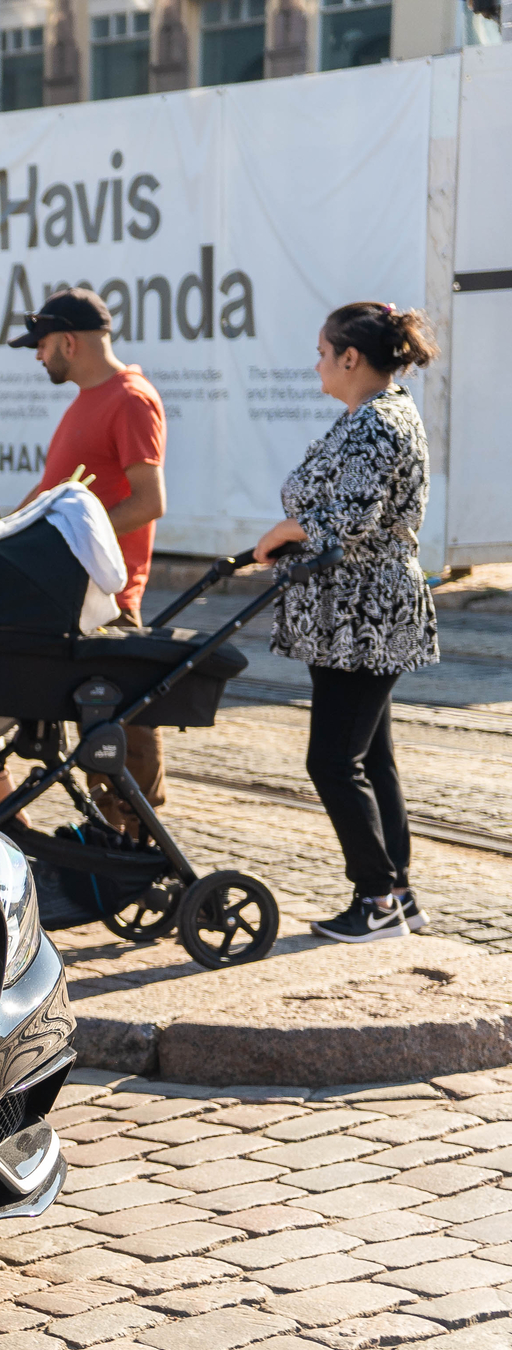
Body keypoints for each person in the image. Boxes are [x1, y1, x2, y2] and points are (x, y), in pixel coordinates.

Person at [252, 302, 441, 944]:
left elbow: (353, 518)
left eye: (322, 352)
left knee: (332, 760)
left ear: (351, 358)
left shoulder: (377, 424)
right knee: (369, 757)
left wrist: (287, 530)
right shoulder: (379, 415)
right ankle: (398, 894)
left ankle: (377, 897)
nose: (318, 364)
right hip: (353, 613)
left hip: (364, 616)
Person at [11, 287, 168, 830]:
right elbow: (55, 491)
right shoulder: (88, 402)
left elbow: (149, 503)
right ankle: (111, 831)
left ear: (69, 342)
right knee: (94, 722)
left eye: (42, 344)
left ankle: (133, 834)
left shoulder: (130, 399)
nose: (37, 356)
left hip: (108, 597)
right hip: (72, 594)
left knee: (119, 723)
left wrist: (71, 536)